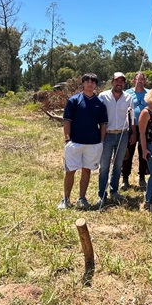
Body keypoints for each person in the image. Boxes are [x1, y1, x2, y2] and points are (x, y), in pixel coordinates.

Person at [58, 73, 107, 210]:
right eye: (87, 81)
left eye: (93, 82)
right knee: (70, 171)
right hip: (75, 142)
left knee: (87, 170)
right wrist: (67, 139)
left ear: (95, 84)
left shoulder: (100, 103)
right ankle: (66, 199)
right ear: (83, 83)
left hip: (93, 143)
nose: (90, 84)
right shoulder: (74, 100)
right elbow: (67, 121)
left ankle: (82, 198)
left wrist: (102, 141)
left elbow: (103, 124)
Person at [97, 72, 136, 206]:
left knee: (118, 165)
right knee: (104, 166)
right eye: (117, 81)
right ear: (112, 81)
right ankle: (102, 194)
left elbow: (132, 117)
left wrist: (133, 133)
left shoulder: (128, 97)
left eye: (122, 81)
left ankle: (114, 190)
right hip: (107, 135)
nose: (119, 83)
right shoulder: (103, 96)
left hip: (122, 135)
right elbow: (98, 116)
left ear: (124, 83)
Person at [122, 72, 149, 190]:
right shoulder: (127, 93)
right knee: (128, 153)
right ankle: (125, 178)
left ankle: (142, 177)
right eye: (138, 79)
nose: (140, 81)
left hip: (145, 127)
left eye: (142, 79)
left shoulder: (149, 93)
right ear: (134, 81)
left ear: (145, 81)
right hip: (131, 127)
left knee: (143, 153)